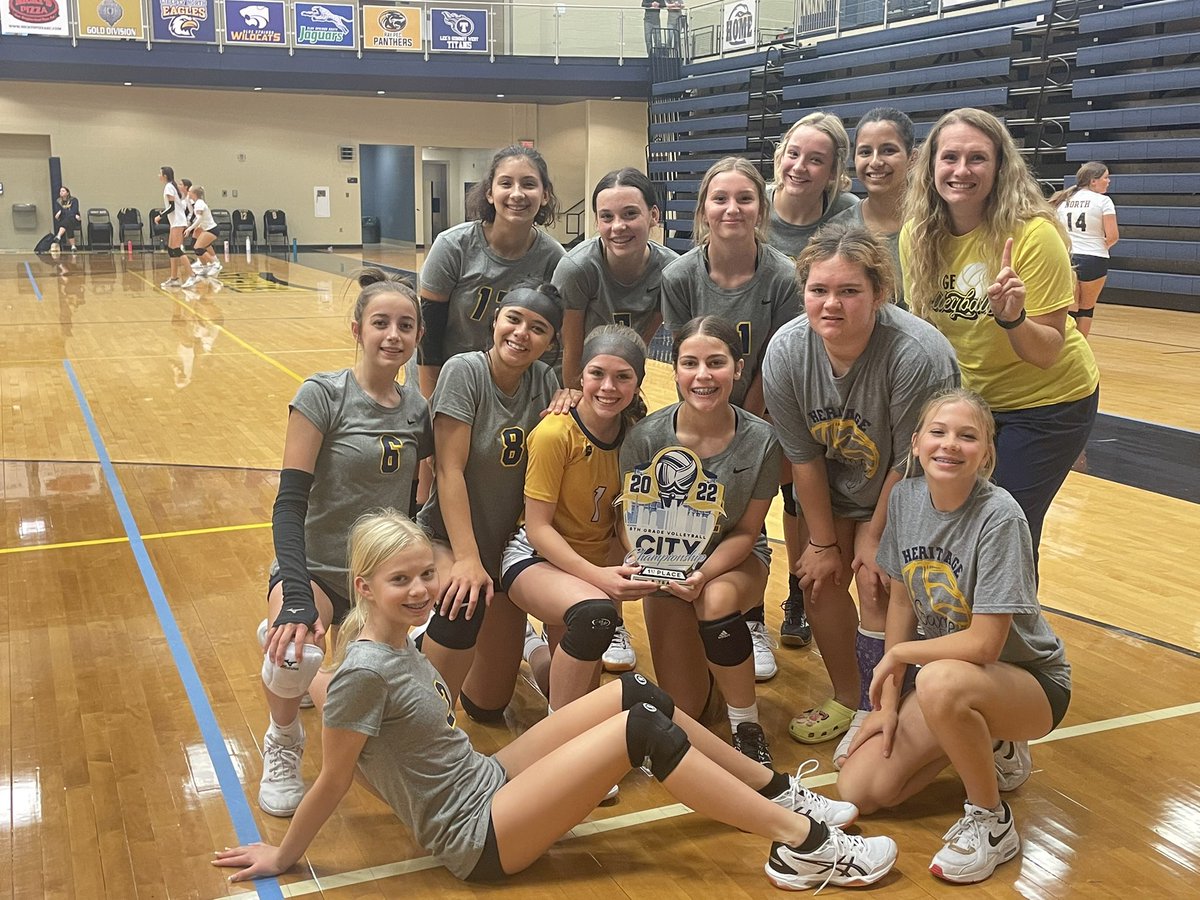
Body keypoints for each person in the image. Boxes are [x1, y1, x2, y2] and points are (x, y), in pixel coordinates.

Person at [215, 508, 898, 891]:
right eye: (402, 580)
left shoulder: (388, 650)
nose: (422, 589)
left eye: (427, 572)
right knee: (641, 733)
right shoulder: (366, 670)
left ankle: (780, 791)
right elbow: (335, 778)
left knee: (634, 690)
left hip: (487, 781)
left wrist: (284, 659)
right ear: (364, 589)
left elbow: (325, 685)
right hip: (475, 835)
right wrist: (282, 856)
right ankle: (805, 844)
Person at [837, 388, 1071, 885]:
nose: (950, 445)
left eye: (968, 436)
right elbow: (901, 600)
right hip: (957, 675)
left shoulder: (1001, 516)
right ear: (917, 443)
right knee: (861, 790)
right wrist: (888, 703)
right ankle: (985, 741)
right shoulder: (905, 498)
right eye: (938, 433)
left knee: (941, 681)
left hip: (1031, 683)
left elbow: (985, 645)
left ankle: (991, 821)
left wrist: (899, 654)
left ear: (986, 452)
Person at [762, 223, 958, 756]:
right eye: (818, 290)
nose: (831, 304)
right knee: (817, 581)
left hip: (917, 486)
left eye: (849, 291)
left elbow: (910, 458)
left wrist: (874, 537)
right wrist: (823, 544)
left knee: (881, 585)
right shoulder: (785, 352)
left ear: (879, 293)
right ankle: (851, 698)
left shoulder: (916, 353)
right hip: (834, 484)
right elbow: (802, 457)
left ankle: (891, 699)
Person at [255, 270, 432, 818]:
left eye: (405, 325)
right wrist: (297, 593)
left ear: (417, 337)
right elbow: (288, 504)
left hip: (376, 577)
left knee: (374, 683)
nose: (392, 335)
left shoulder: (417, 410)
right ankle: (282, 739)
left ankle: (327, 687)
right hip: (314, 567)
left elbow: (417, 500)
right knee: (295, 648)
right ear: (357, 328)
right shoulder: (322, 394)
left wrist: (413, 579)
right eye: (380, 323)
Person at [901, 108, 1100, 565]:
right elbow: (929, 332)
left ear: (999, 167)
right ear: (931, 166)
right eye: (949, 157)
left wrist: (1012, 319)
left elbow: (1048, 351)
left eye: (977, 158)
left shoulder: (1033, 234)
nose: (962, 170)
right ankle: (964, 626)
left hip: (1049, 405)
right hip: (976, 403)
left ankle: (1010, 635)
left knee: (1004, 524)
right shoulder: (917, 234)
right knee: (953, 516)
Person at [620, 316, 782, 763]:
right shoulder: (645, 437)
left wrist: (702, 572)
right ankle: (713, 668)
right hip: (666, 566)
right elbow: (630, 520)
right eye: (690, 363)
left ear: (737, 367)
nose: (703, 375)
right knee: (687, 710)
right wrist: (649, 562)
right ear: (674, 371)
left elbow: (749, 531)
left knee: (714, 601)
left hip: (731, 560)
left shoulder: (762, 440)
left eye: (716, 362)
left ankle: (746, 724)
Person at [662, 156, 798, 682]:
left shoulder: (782, 276)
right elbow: (682, 355)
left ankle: (751, 618)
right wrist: (705, 416)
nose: (732, 208)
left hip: (767, 408)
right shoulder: (680, 275)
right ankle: (690, 597)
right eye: (720, 199)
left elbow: (777, 358)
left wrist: (749, 425)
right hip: (699, 407)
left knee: (751, 513)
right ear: (703, 210)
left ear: (760, 208)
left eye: (744, 198)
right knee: (699, 504)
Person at [553, 166, 678, 673]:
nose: (618, 226)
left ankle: (616, 613)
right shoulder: (578, 268)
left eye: (630, 214)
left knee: (621, 493)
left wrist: (626, 381)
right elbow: (570, 343)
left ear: (653, 216)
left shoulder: (671, 269)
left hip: (619, 378)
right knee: (577, 495)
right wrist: (575, 394)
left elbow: (649, 331)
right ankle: (571, 601)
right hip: (577, 378)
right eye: (606, 216)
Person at [417, 284, 562, 713]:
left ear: (550, 343)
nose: (521, 333)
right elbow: (449, 470)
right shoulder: (465, 370)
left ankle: (528, 643)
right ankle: (423, 705)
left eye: (538, 328)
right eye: (513, 319)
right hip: (449, 538)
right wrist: (466, 557)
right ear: (495, 320)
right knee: (463, 601)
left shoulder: (544, 380)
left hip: (506, 552)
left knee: (487, 705)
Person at [503, 325, 660, 715]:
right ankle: (559, 748)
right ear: (580, 377)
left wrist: (643, 553)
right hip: (535, 559)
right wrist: (599, 577)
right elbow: (538, 529)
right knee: (596, 616)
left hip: (585, 569)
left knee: (573, 692)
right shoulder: (555, 433)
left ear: (638, 382)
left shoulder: (634, 437)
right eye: (597, 374)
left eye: (623, 377)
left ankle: (531, 646)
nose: (608, 386)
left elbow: (624, 514)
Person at [765, 111, 859, 652]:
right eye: (793, 154)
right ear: (780, 155)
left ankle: (798, 595)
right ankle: (746, 608)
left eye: (815, 159)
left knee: (802, 494)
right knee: (755, 486)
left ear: (834, 172)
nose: (800, 166)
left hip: (822, 375)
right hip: (758, 369)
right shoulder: (753, 205)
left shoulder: (849, 216)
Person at [417, 145, 563, 400]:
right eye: (506, 183)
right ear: (489, 193)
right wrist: (431, 405)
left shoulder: (553, 258)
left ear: (545, 195)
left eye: (528, 184)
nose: (517, 194)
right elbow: (428, 337)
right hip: (445, 376)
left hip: (513, 386)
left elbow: (556, 341)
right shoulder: (453, 246)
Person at [830, 107, 916, 309]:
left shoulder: (935, 224)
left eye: (888, 150)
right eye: (865, 152)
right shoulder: (839, 229)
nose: (875, 162)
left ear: (913, 158)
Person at [1050, 162, 1119, 338]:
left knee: (1070, 309)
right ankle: (1080, 353)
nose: (1108, 181)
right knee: (1087, 309)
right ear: (1093, 181)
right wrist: (1099, 247)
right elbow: (1112, 236)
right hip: (1094, 259)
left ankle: (1066, 349)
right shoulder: (1104, 201)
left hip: (1067, 257)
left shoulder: (1063, 200)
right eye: (1105, 177)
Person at [182, 186, 223, 287]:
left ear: (194, 194)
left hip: (211, 229)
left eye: (190, 191)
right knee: (194, 245)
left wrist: (189, 228)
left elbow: (199, 218)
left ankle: (215, 264)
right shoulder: (196, 203)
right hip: (204, 228)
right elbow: (193, 213)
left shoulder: (199, 203)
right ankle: (204, 267)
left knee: (198, 248)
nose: (188, 193)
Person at [156, 166, 190, 288]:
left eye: (160, 173)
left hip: (178, 222)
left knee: (176, 249)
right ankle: (174, 278)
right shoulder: (171, 186)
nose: (158, 176)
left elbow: (171, 207)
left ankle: (192, 276)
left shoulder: (169, 187)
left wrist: (159, 216)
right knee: (171, 250)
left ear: (165, 176)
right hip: (175, 222)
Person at [52, 186, 81, 252]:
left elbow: (74, 211)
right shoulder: (58, 201)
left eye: (63, 191)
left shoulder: (74, 200)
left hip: (74, 220)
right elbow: (57, 212)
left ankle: (59, 236)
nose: (61, 192)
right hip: (64, 220)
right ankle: (73, 246)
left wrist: (63, 212)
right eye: (60, 191)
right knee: (68, 223)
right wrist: (60, 213)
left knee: (68, 220)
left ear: (67, 192)